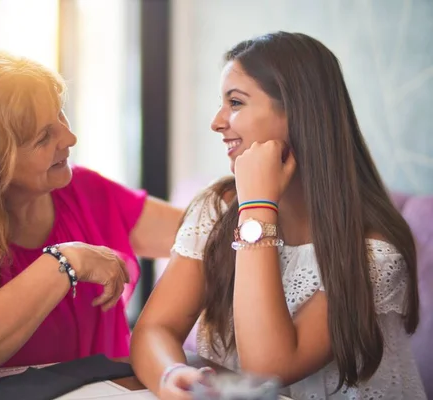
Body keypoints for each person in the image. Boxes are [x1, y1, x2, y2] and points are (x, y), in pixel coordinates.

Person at [130, 32, 426, 399]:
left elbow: (268, 366)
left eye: (235, 103)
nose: (217, 122)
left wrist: (257, 207)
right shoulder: (219, 207)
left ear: (298, 112)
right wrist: (170, 374)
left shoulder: (373, 247)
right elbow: (155, 328)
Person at [0, 49, 183, 391]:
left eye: (61, 116)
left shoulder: (84, 191)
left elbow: (202, 236)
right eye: (43, 136)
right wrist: (65, 262)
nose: (69, 139)